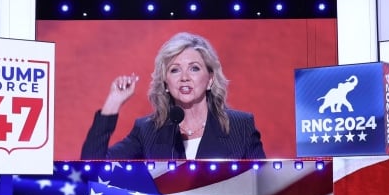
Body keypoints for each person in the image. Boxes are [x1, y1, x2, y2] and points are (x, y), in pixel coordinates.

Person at [81, 32, 266, 160]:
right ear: (166, 83)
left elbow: (264, 187)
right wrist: (113, 102)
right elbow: (91, 166)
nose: (184, 78)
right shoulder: (148, 130)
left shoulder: (241, 127)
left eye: (194, 68)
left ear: (210, 79)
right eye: (175, 70)